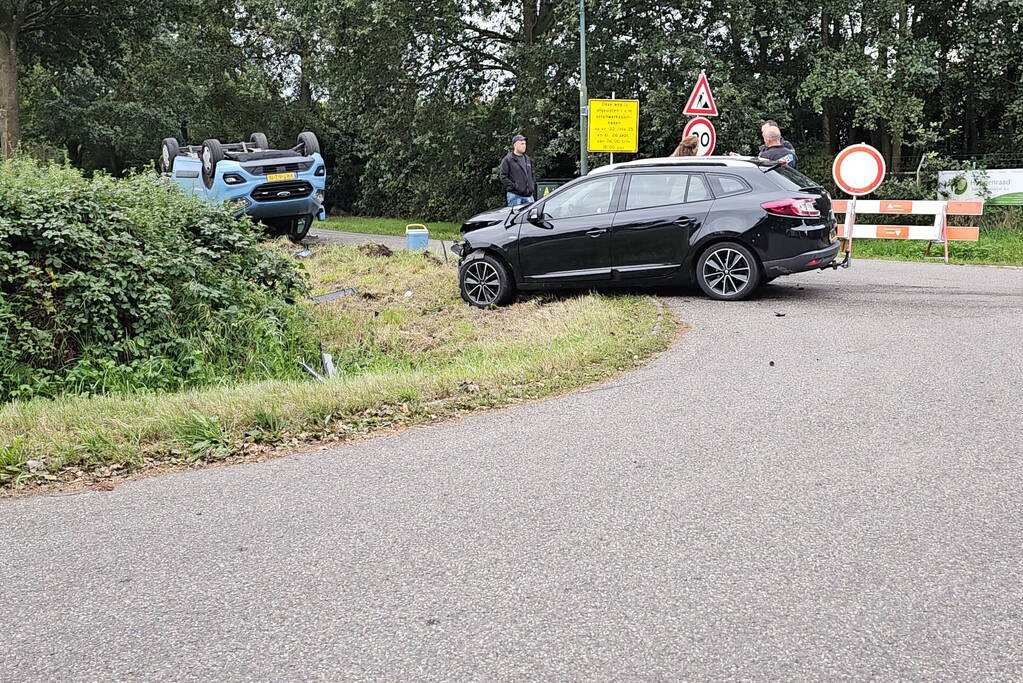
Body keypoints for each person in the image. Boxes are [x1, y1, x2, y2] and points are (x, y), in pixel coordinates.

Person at [499, 134, 536, 206]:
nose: (524, 145)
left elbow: (532, 174)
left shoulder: (528, 159)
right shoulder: (508, 160)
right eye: (522, 143)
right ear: (515, 145)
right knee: (516, 217)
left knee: (530, 217)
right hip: (515, 196)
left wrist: (532, 186)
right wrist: (514, 187)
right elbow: (503, 177)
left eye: (525, 144)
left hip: (529, 196)